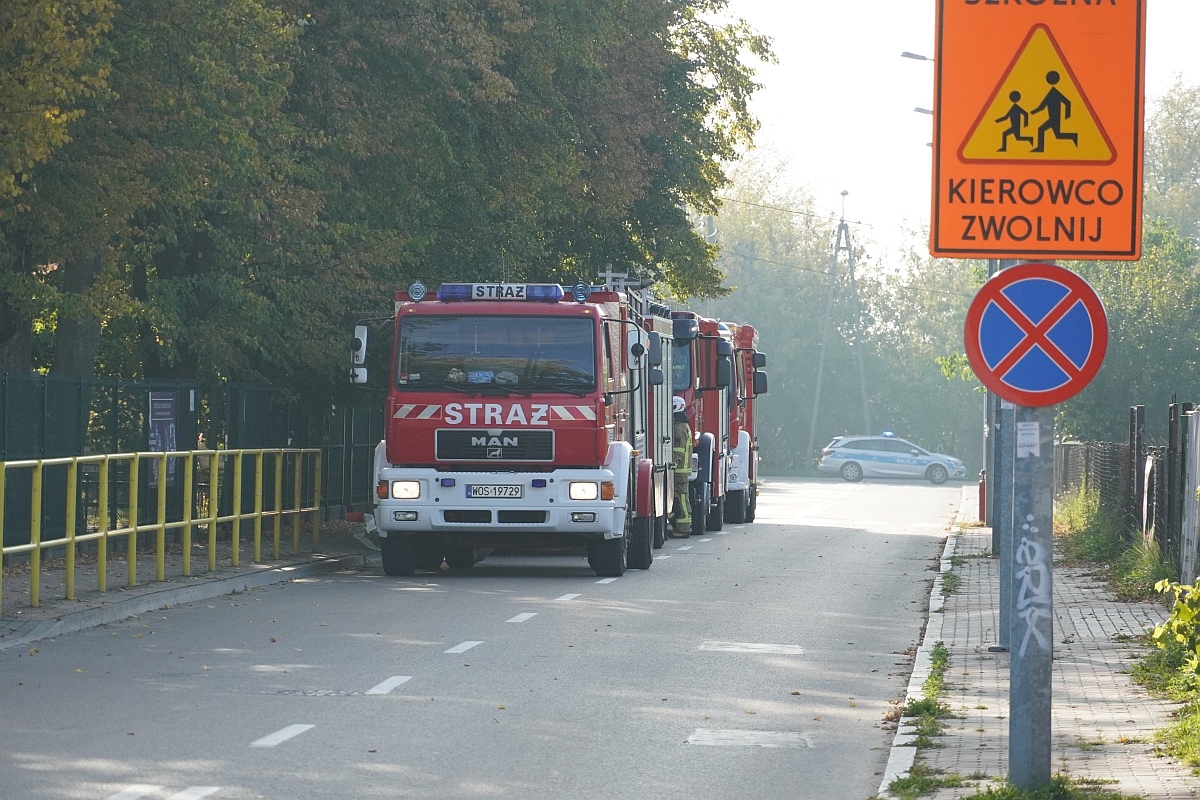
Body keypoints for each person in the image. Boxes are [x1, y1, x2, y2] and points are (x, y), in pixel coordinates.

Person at [670, 395, 693, 537]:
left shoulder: (678, 427)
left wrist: (672, 465)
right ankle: (681, 526)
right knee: (681, 499)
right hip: (681, 471)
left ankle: (683, 529)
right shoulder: (683, 425)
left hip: (679, 471)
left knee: (681, 500)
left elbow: (678, 450)